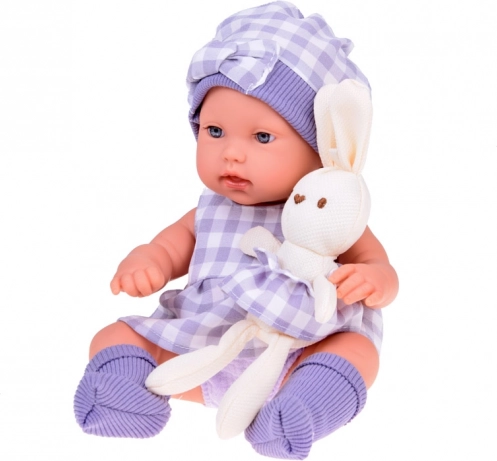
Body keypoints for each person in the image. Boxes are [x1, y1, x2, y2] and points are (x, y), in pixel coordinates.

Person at [74, 2, 398, 459]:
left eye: (262, 137)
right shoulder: (209, 209)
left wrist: (375, 279)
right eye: (215, 131)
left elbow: (376, 263)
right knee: (114, 335)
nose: (231, 153)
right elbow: (169, 247)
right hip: (197, 349)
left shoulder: (327, 212)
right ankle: (124, 399)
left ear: (321, 150)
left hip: (295, 352)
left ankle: (299, 413)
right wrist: (148, 260)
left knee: (357, 351)